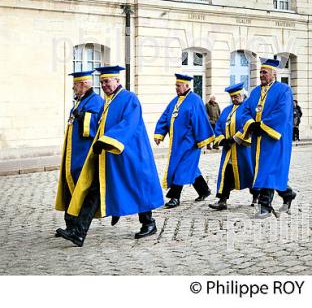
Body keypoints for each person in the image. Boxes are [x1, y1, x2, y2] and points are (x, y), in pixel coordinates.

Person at [56, 66, 164, 246]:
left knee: (138, 186)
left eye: (107, 81)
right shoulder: (109, 101)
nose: (104, 85)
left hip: (132, 153)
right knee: (94, 190)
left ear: (117, 81)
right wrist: (99, 142)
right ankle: (79, 232)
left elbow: (129, 122)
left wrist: (107, 140)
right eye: (102, 82)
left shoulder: (129, 98)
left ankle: (149, 222)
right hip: (110, 155)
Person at [240, 59, 296, 219]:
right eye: (260, 72)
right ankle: (288, 194)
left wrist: (262, 126)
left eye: (265, 72)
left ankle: (265, 205)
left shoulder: (284, 90)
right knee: (265, 170)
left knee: (268, 169)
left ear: (274, 73)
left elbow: (282, 113)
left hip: (275, 139)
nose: (261, 75)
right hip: (258, 140)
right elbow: (244, 111)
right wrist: (251, 124)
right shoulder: (255, 92)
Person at [154, 74, 215, 208]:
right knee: (190, 168)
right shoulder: (175, 101)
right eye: (176, 86)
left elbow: (200, 121)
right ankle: (204, 190)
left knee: (181, 168)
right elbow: (165, 116)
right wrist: (159, 133)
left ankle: (175, 196)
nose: (176, 88)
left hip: (190, 144)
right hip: (177, 143)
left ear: (187, 86)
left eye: (178, 86)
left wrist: (202, 140)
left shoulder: (195, 100)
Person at [55, 71, 104, 234]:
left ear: (84, 84)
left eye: (75, 84)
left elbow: (92, 128)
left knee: (81, 189)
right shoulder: (80, 101)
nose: (73, 87)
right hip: (73, 153)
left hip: (84, 154)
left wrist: (82, 116)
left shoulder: (96, 101)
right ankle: (70, 224)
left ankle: (76, 227)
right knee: (69, 187)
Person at [209, 83, 256, 211]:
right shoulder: (226, 110)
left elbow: (247, 126)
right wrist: (221, 139)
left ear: (242, 95)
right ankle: (222, 200)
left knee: (249, 172)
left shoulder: (247, 110)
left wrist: (235, 138)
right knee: (226, 173)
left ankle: (256, 197)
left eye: (236, 96)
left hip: (243, 150)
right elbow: (218, 126)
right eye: (232, 97)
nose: (234, 99)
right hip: (229, 151)